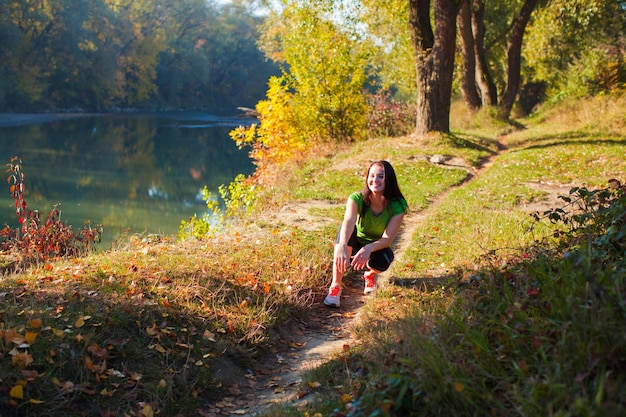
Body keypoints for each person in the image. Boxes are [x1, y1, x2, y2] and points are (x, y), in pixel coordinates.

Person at [324, 160, 408, 308]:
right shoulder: (357, 198)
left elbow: (387, 239)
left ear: (389, 179)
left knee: (384, 260)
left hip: (376, 246)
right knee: (343, 236)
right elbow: (348, 222)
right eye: (372, 175)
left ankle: (370, 275)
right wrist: (342, 245)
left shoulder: (398, 205)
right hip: (356, 241)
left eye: (380, 176)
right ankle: (335, 286)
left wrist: (368, 248)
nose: (375, 180)